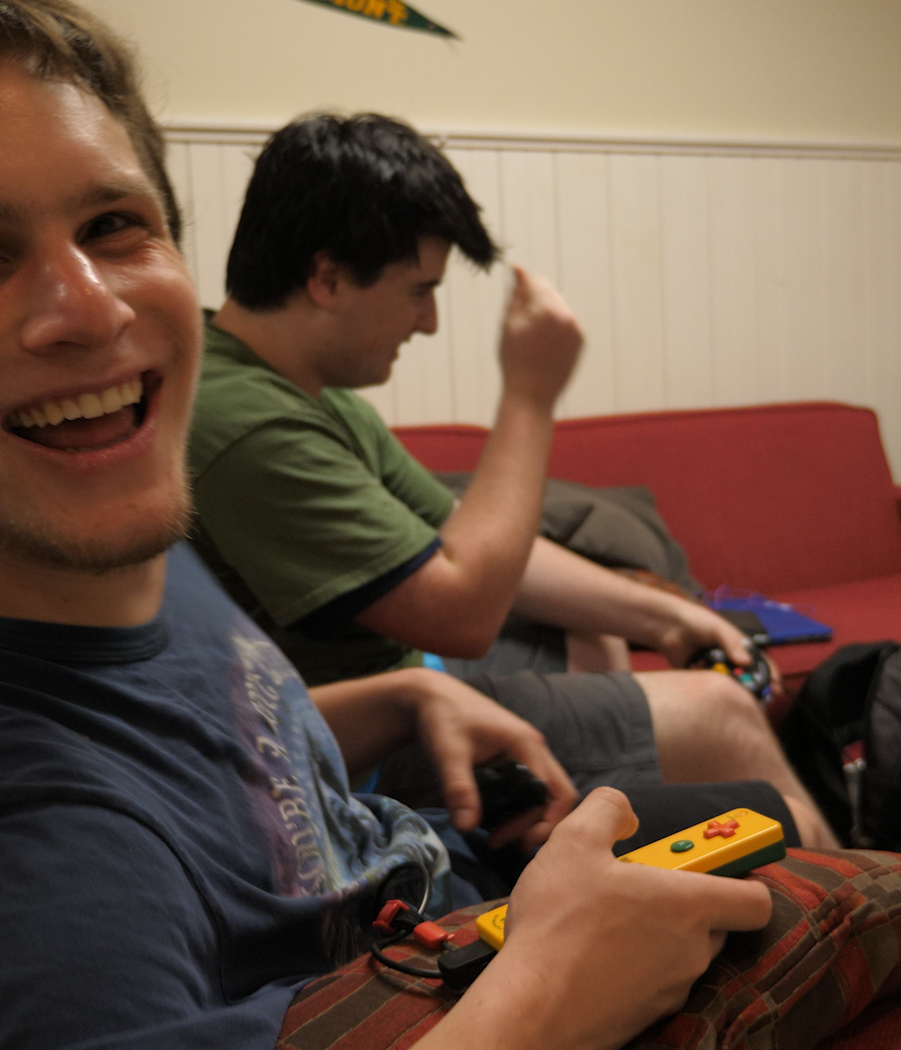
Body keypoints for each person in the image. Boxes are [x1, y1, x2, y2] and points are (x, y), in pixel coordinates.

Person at [0, 2, 901, 1050]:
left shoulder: (100, 532)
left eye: (115, 225)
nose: (87, 307)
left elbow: (196, 739)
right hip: (462, 979)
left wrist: (387, 700)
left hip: (441, 877)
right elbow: (464, 597)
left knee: (787, 803)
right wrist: (539, 1007)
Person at [189, 112, 840, 848]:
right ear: (328, 277)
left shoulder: (296, 386)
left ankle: (609, 859)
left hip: (403, 674)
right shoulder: (245, 423)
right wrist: (529, 396)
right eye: (418, 291)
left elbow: (466, 534)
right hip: (341, 746)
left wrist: (675, 620)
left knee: (594, 626)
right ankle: (869, 903)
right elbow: (462, 613)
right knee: (724, 714)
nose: (429, 323)